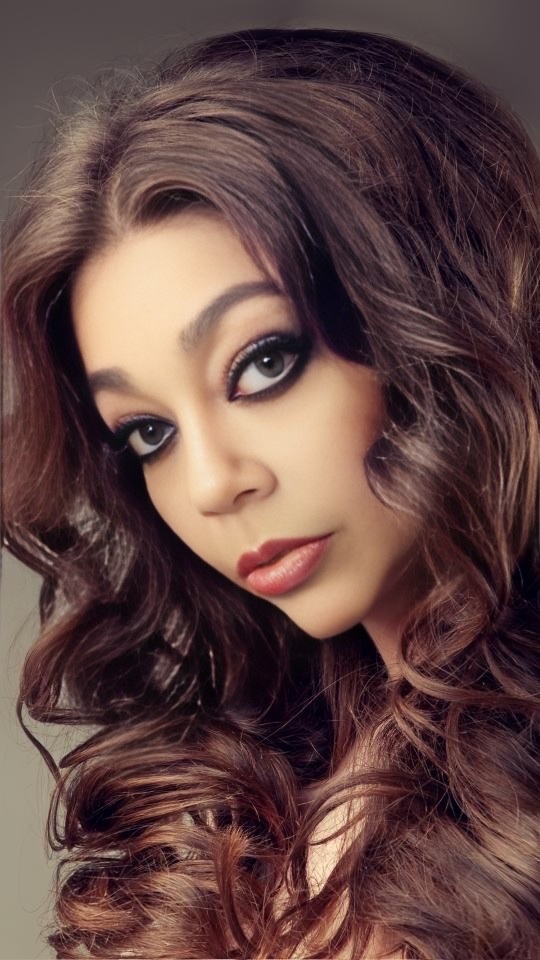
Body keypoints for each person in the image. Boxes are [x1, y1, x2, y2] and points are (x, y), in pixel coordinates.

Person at [2, 27, 538, 960]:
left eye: (262, 364)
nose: (212, 485)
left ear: (440, 321)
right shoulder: (260, 804)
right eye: (149, 433)